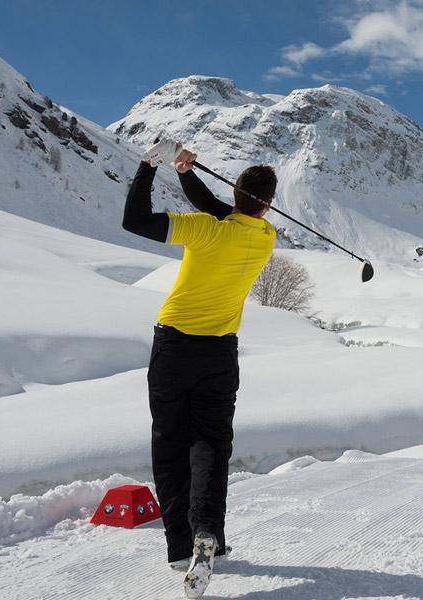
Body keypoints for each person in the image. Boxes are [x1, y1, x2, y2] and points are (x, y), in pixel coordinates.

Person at [122, 138, 277, 598]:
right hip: (220, 354)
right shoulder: (265, 237)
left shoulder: (204, 230)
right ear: (266, 207)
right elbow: (219, 207)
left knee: (171, 443)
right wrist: (186, 172)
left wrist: (149, 166)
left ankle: (179, 547)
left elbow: (135, 221)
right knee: (210, 443)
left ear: (236, 197)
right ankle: (209, 533)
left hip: (174, 348)